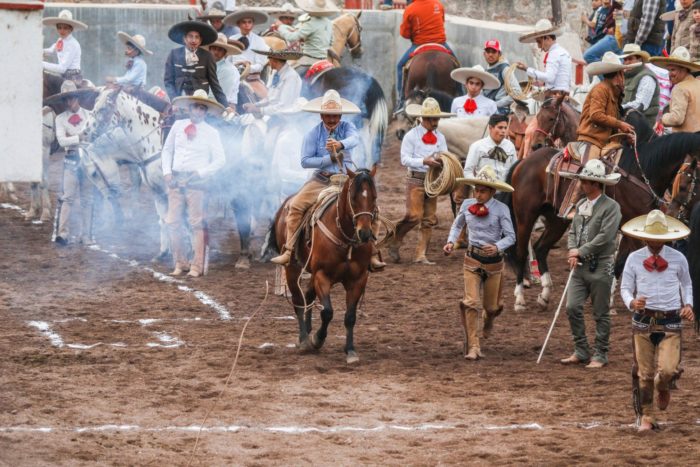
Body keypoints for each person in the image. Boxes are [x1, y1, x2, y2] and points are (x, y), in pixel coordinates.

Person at [619, 210, 694, 432]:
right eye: (652, 237)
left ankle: (664, 386)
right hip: (643, 319)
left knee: (668, 370)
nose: (655, 242)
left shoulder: (678, 258)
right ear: (644, 237)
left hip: (671, 319)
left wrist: (688, 305)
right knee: (644, 372)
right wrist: (632, 302)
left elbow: (687, 284)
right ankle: (647, 417)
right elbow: (624, 288)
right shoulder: (634, 258)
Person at [270, 90, 365, 266]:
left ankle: (372, 252)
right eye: (328, 116)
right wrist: (328, 159)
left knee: (369, 207)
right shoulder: (312, 135)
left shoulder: (347, 128)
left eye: (335, 116)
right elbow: (305, 162)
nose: (332, 119)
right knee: (296, 206)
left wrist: (340, 144)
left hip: (346, 179)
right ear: (321, 115)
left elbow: (355, 138)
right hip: (321, 180)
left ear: (341, 115)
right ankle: (289, 250)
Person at [443, 166, 515, 360]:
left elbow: (511, 236)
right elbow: (457, 225)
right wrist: (450, 241)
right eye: (476, 189)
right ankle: (474, 346)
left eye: (482, 191)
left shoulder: (502, 209)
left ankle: (489, 317)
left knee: (491, 307)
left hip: (494, 263)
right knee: (472, 302)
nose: (478, 194)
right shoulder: (467, 205)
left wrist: (498, 246)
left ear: (492, 192)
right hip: (472, 259)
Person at [559, 159, 622, 368]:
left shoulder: (612, 207)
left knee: (601, 311)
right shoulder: (580, 205)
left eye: (584, 181)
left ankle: (600, 353)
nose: (581, 184)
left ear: (595, 184)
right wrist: (572, 251)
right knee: (572, 306)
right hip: (580, 266)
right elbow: (574, 232)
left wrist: (581, 250)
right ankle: (581, 349)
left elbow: (606, 236)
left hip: (602, 264)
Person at [559, 52, 637, 218]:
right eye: (622, 75)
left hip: (605, 141)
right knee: (589, 169)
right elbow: (596, 115)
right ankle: (571, 206)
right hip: (591, 140)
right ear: (619, 75)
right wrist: (620, 124)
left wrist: (623, 134)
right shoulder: (601, 90)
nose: (624, 80)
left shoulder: (613, 93)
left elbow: (611, 124)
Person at [162, 90, 226, 278]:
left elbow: (220, 159)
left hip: (196, 180)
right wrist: (166, 172)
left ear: (205, 111)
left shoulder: (211, 132)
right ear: (189, 109)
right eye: (195, 107)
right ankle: (180, 263)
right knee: (172, 222)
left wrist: (201, 172)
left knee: (196, 223)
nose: (198, 111)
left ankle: (196, 266)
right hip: (175, 178)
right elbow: (167, 150)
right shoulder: (177, 126)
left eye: (201, 108)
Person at [386, 98, 455, 265]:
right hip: (415, 179)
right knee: (414, 216)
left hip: (433, 181)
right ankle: (394, 239)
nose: (435, 122)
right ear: (422, 119)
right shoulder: (411, 136)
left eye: (436, 119)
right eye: (431, 119)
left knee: (429, 219)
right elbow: (404, 159)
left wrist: (441, 161)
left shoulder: (440, 137)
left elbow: (445, 155)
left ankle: (420, 254)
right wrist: (424, 161)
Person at [44, 81, 98, 246]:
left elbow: (94, 137)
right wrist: (80, 138)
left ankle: (86, 235)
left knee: (87, 199)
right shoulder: (60, 119)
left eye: (72, 98)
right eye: (66, 99)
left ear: (77, 98)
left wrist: (72, 137)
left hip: (88, 161)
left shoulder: (90, 115)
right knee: (67, 198)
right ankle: (62, 234)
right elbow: (61, 141)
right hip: (71, 161)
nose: (69, 102)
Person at [163, 20, 230, 109]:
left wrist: (226, 106)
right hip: (178, 99)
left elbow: (214, 84)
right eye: (190, 36)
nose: (193, 40)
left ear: (200, 40)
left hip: (199, 101)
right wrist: (174, 100)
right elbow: (168, 81)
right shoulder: (174, 54)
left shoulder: (207, 56)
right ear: (184, 38)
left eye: (197, 37)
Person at [396, 0, 453, 103]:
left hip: (419, 44)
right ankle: (461, 94)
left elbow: (404, 33)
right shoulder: (438, 5)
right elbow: (442, 21)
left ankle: (401, 101)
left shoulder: (410, 8)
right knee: (457, 65)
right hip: (440, 43)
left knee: (400, 66)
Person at [515, 19, 572, 98]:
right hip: (565, 94)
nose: (538, 46)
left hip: (554, 96)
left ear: (547, 38)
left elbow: (549, 78)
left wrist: (527, 69)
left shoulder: (554, 54)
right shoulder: (564, 52)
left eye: (539, 42)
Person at [275, 0, 336, 73]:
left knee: (283, 73)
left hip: (308, 61)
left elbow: (291, 37)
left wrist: (280, 27)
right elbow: (331, 42)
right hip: (324, 61)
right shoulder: (329, 22)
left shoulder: (310, 23)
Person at [651, 46, 700, 132]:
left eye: (673, 70)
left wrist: (662, 119)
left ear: (684, 69)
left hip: (685, 140)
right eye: (668, 70)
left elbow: (677, 118)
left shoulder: (680, 88)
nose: (669, 74)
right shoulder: (697, 83)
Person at [224, 8, 271, 97]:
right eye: (244, 22)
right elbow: (228, 61)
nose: (247, 25)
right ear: (238, 24)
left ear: (253, 24)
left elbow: (260, 65)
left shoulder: (259, 41)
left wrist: (247, 67)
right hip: (232, 77)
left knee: (265, 99)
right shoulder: (232, 39)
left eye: (249, 22)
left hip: (251, 79)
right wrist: (234, 69)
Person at [245, 49, 303, 116]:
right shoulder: (275, 73)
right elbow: (270, 98)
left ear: (274, 61)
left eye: (269, 59)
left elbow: (284, 106)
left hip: (285, 117)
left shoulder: (291, 77)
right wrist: (255, 105)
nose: (268, 62)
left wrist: (258, 109)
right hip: (274, 113)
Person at [463, 114, 518, 181]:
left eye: (505, 128)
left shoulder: (510, 146)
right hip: (484, 189)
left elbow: (515, 170)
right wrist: (477, 186)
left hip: (505, 190)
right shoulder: (477, 146)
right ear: (490, 128)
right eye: (500, 128)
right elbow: (467, 171)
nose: (503, 131)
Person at [619, 44, 660, 128]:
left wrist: (617, 109)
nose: (626, 62)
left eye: (630, 59)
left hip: (643, 125)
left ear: (639, 59)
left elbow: (640, 104)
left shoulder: (647, 77)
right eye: (625, 59)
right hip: (627, 120)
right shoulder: (626, 75)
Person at [42, 10, 86, 80]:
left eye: (65, 28)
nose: (62, 31)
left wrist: (42, 64)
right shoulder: (60, 40)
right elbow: (51, 50)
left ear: (70, 29)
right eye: (59, 28)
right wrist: (38, 51)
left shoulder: (73, 44)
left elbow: (62, 68)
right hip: (63, 75)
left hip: (73, 77)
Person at [482, 39, 523, 115]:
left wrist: (496, 104)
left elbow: (517, 92)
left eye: (493, 52)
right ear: (484, 54)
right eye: (488, 52)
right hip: (486, 110)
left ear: (499, 54)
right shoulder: (486, 69)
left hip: (500, 111)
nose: (490, 54)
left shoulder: (505, 69)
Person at [204, 33, 242, 108]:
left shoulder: (227, 70)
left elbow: (217, 96)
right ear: (209, 50)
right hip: (206, 104)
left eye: (220, 50)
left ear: (225, 53)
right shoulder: (208, 64)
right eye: (214, 48)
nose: (216, 52)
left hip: (220, 108)